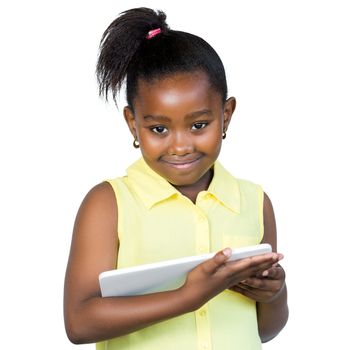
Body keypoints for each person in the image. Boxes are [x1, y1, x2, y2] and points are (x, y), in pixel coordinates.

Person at [64, 7, 288, 350]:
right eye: (159, 129)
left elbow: (265, 330)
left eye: (199, 125)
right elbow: (79, 323)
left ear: (225, 115)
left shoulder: (255, 201)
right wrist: (188, 297)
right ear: (132, 124)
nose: (181, 146)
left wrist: (274, 293)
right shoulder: (109, 203)